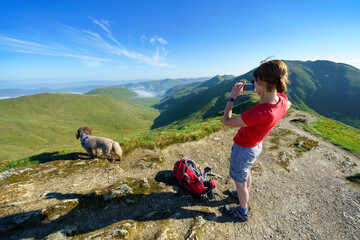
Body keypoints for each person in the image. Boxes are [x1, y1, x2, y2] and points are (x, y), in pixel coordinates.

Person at [222, 59, 292, 221]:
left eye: (254, 80)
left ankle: (242, 211)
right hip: (256, 146)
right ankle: (241, 193)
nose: (253, 83)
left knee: (239, 181)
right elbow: (288, 103)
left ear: (260, 81)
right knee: (245, 174)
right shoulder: (281, 100)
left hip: (244, 148)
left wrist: (232, 97)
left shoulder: (259, 113)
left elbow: (226, 121)